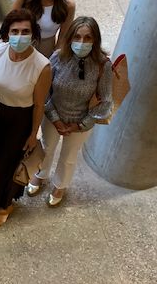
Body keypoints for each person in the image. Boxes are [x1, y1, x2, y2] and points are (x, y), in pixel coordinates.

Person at [0, 9, 51, 228]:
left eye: (25, 31)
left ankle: (4, 205)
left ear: (33, 34)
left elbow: (39, 104)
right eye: (15, 31)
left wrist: (33, 134)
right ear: (7, 32)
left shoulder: (41, 66)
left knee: (5, 164)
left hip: (19, 120)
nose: (19, 36)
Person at [27, 17, 112, 206]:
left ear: (95, 40)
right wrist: (56, 119)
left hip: (81, 121)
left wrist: (80, 125)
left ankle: (60, 185)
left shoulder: (103, 65)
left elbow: (106, 101)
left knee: (69, 156)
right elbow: (45, 91)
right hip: (53, 115)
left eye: (87, 38)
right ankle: (41, 174)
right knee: (47, 147)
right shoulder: (58, 56)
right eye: (77, 37)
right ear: (70, 38)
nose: (81, 42)